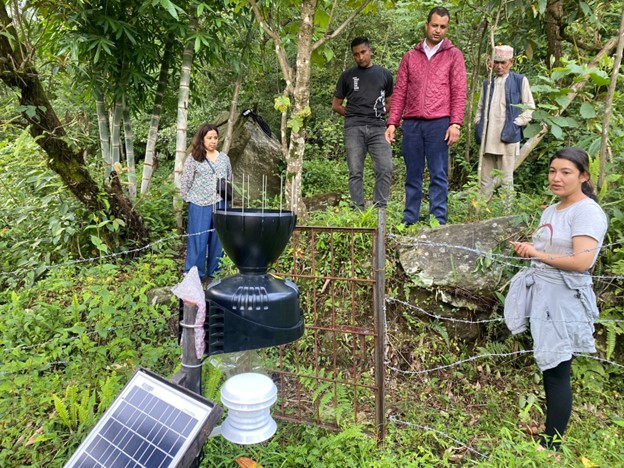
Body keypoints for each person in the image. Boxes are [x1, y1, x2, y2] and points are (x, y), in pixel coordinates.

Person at [504, 147, 608, 451]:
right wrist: (530, 250)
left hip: (564, 300)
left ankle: (550, 445)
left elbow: (581, 262)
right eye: (552, 171)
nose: (556, 178)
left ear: (583, 176)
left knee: (558, 369)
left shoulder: (586, 211)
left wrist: (536, 253)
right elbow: (551, 251)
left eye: (565, 172)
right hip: (543, 296)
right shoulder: (552, 210)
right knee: (551, 366)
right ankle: (550, 437)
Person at [385, 6, 466, 225]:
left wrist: (455, 124)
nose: (438, 30)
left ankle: (437, 220)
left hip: (439, 122)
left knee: (438, 173)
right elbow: (400, 91)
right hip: (411, 123)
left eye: (443, 27)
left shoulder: (453, 55)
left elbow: (459, 91)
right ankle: (409, 218)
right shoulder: (410, 56)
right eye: (435, 25)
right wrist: (393, 122)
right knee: (413, 173)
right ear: (426, 25)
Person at [332, 36, 394, 210]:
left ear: (370, 51)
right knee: (355, 172)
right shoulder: (347, 76)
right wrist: (352, 114)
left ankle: (380, 209)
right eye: (356, 54)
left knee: (385, 168)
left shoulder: (384, 75)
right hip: (354, 128)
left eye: (363, 52)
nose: (360, 57)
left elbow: (390, 103)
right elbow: (336, 105)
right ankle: (357, 211)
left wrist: (378, 114)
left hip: (378, 127)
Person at [475, 45, 535, 202]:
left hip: (508, 137)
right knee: (485, 179)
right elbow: (480, 108)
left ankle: (506, 213)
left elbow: (529, 107)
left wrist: (516, 123)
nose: (499, 66)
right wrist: (478, 122)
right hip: (488, 137)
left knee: (506, 179)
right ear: (491, 63)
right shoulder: (487, 82)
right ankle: (480, 211)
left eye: (504, 62)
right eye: (496, 62)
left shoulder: (520, 80)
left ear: (511, 62)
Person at [180, 123, 232, 281]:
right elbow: (186, 181)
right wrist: (187, 198)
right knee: (198, 239)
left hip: (220, 203)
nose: (213, 141)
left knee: (218, 240)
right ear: (202, 139)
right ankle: (194, 274)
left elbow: (229, 178)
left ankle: (215, 274)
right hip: (199, 203)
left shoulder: (224, 158)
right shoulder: (194, 158)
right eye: (209, 138)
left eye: (215, 138)